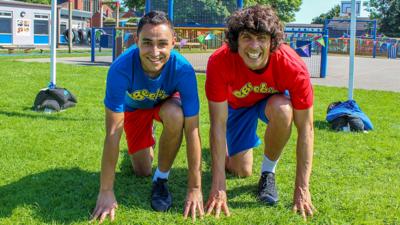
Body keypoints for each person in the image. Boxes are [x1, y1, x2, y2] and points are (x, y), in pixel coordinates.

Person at [91, 11, 204, 223]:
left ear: (173, 42)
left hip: (165, 105)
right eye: (147, 43)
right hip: (135, 110)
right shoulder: (120, 68)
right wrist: (106, 190)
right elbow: (113, 133)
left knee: (176, 115)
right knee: (142, 170)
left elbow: (192, 130)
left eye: (162, 43)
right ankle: (148, 134)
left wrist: (195, 187)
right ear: (136, 41)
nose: (155, 51)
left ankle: (161, 179)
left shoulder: (184, 70)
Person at [204, 5, 316, 220]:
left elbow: (306, 129)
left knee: (284, 110)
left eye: (262, 38)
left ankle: (267, 173)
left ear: (272, 42)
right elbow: (217, 123)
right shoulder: (219, 61)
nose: (254, 46)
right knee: (241, 170)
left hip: (271, 103)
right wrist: (218, 187)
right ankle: (227, 152)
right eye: (247, 37)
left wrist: (302, 188)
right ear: (236, 40)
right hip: (238, 106)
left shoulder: (293, 66)